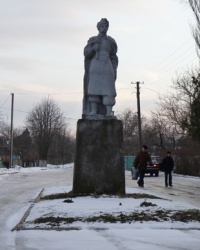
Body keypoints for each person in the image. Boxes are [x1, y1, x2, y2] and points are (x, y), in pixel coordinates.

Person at [82, 18, 118, 117]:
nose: (104, 28)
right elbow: (86, 53)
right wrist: (93, 49)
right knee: (94, 88)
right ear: (98, 27)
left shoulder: (110, 41)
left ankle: (109, 111)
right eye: (102, 26)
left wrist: (114, 69)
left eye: (106, 26)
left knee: (108, 89)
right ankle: (94, 110)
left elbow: (114, 56)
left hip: (107, 66)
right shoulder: (93, 40)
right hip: (95, 66)